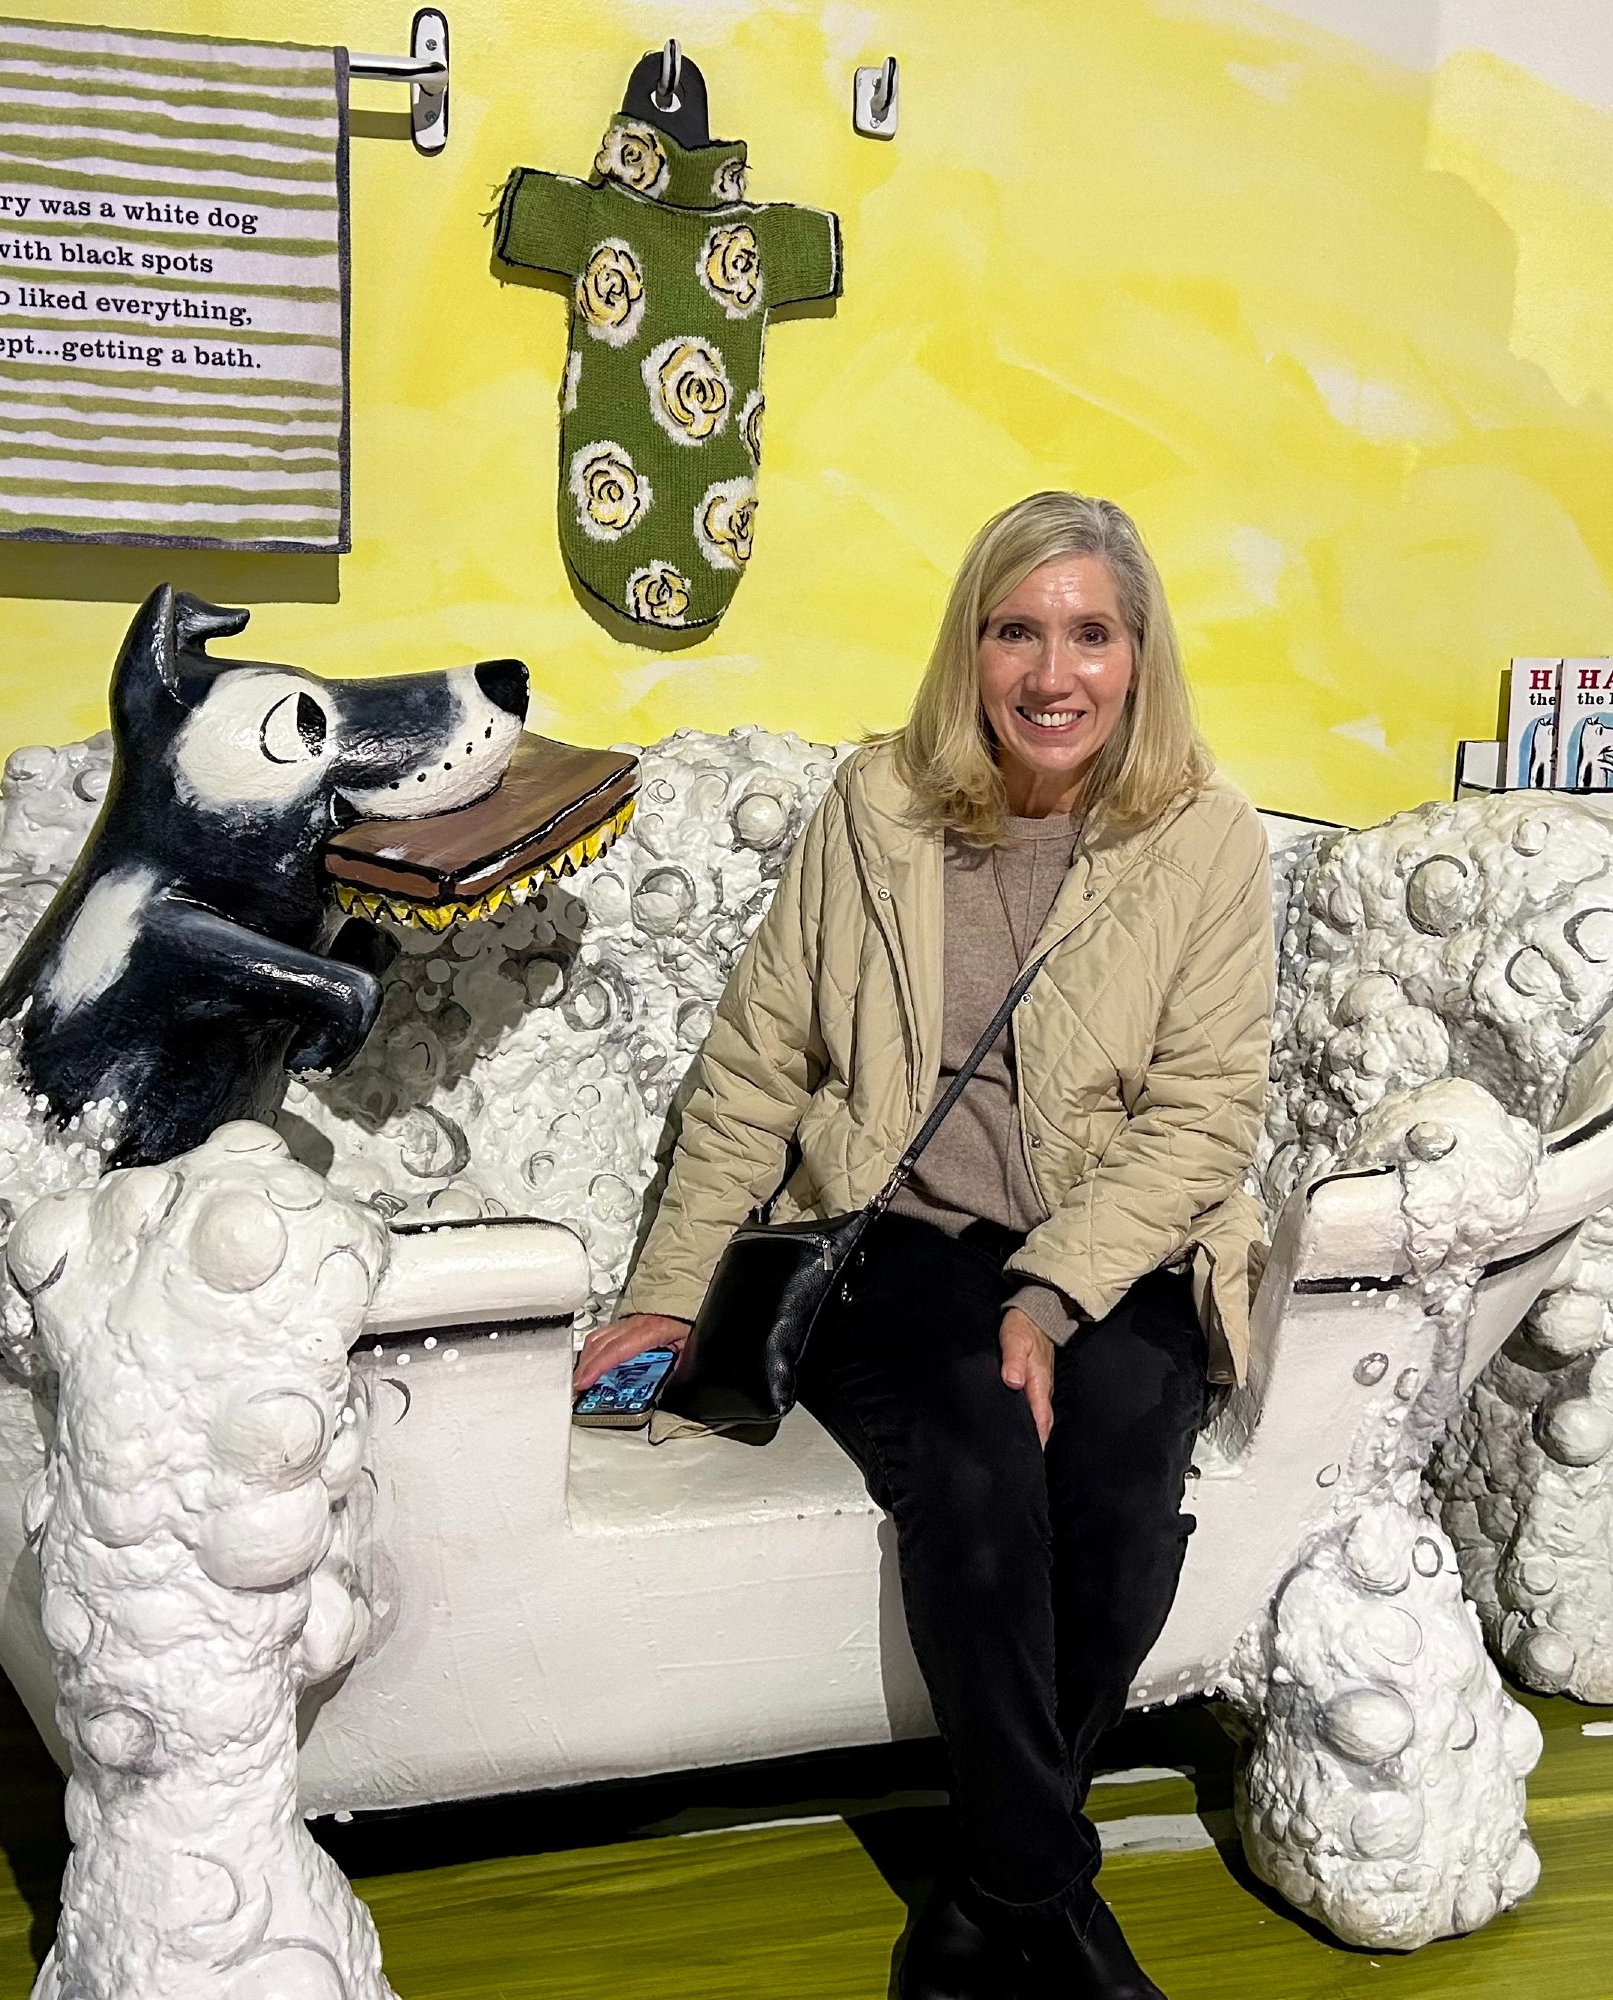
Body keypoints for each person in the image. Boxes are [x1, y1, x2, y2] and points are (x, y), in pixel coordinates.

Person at [575, 491, 1275, 2000]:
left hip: (1119, 1243)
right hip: (898, 1241)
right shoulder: (880, 806)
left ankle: (983, 1899)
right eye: (1016, 631)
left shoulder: (1204, 836)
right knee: (972, 1458)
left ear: (1139, 655)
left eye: (1090, 635)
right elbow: (757, 1067)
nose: (1051, 674)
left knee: (1120, 1475)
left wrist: (1053, 1293)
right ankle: (1042, 1895)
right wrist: (667, 1296)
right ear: (970, 647)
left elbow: (1203, 1119)